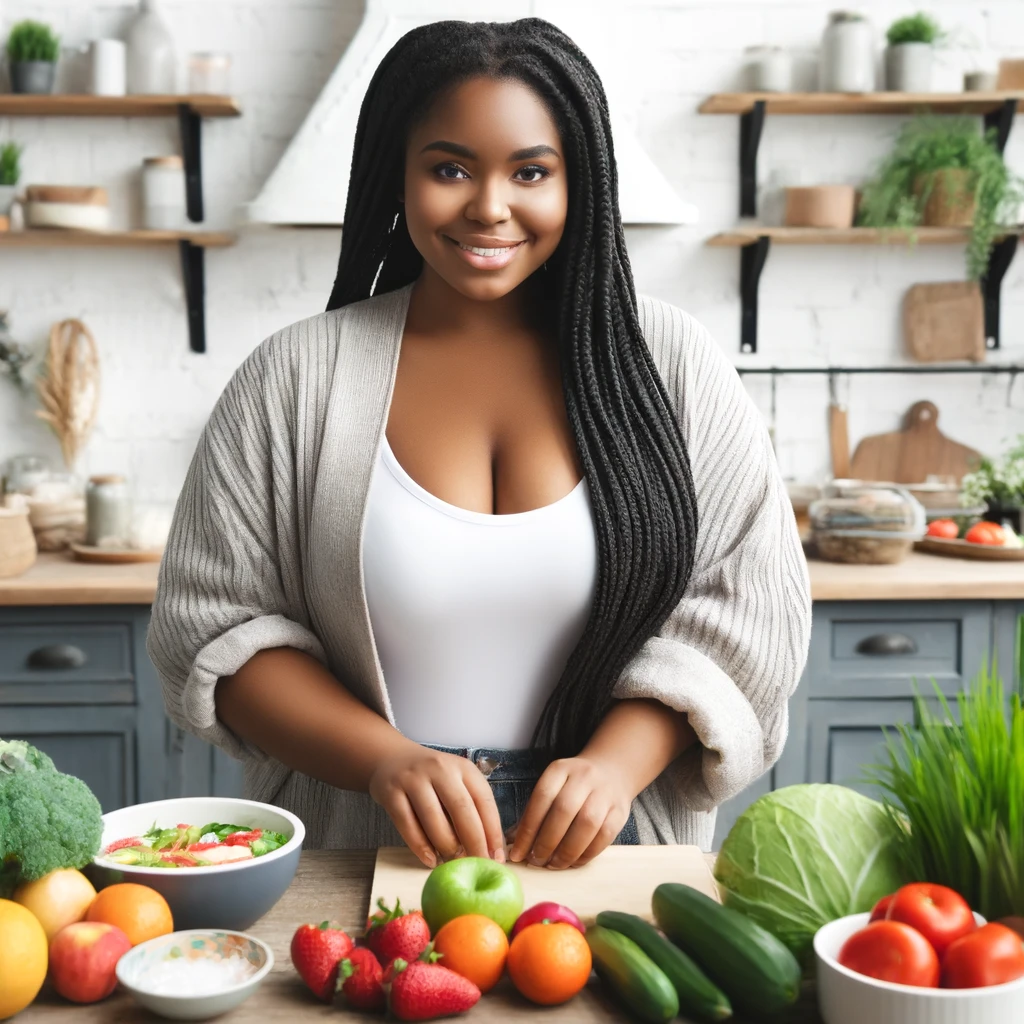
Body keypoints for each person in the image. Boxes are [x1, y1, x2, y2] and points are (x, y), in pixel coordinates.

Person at [147, 18, 811, 871]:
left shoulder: (673, 367)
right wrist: (385, 760)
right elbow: (214, 629)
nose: (489, 206)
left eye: (530, 171)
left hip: (614, 857)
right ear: (399, 173)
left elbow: (745, 615)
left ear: (582, 184)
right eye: (450, 168)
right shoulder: (292, 379)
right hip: (358, 855)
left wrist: (615, 766)